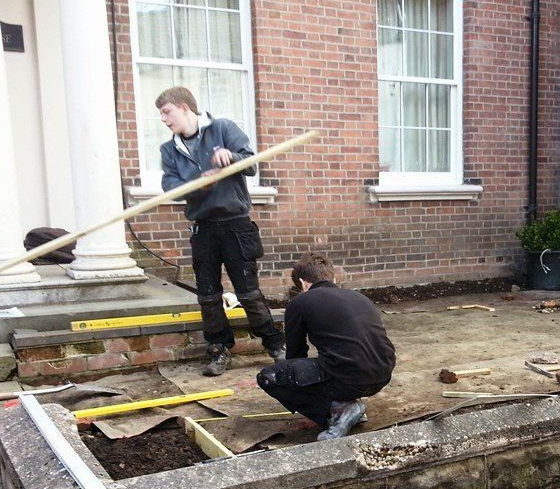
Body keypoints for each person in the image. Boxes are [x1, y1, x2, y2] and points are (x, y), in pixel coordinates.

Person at [156, 86, 286, 376]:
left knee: (248, 292)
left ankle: (276, 346)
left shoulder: (222, 129)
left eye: (167, 112)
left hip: (236, 224)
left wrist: (232, 157)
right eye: (162, 115)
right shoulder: (169, 150)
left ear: (185, 107)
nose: (164, 119)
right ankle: (218, 351)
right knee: (208, 295)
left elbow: (250, 165)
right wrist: (198, 181)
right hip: (203, 229)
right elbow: (170, 187)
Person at [257, 253, 396, 440]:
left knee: (269, 377)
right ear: (333, 277)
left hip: (349, 378)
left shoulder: (299, 303)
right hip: (383, 374)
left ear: (302, 283)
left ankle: (339, 411)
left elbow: (296, 353)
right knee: (333, 364)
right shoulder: (359, 297)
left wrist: (302, 389)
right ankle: (347, 406)